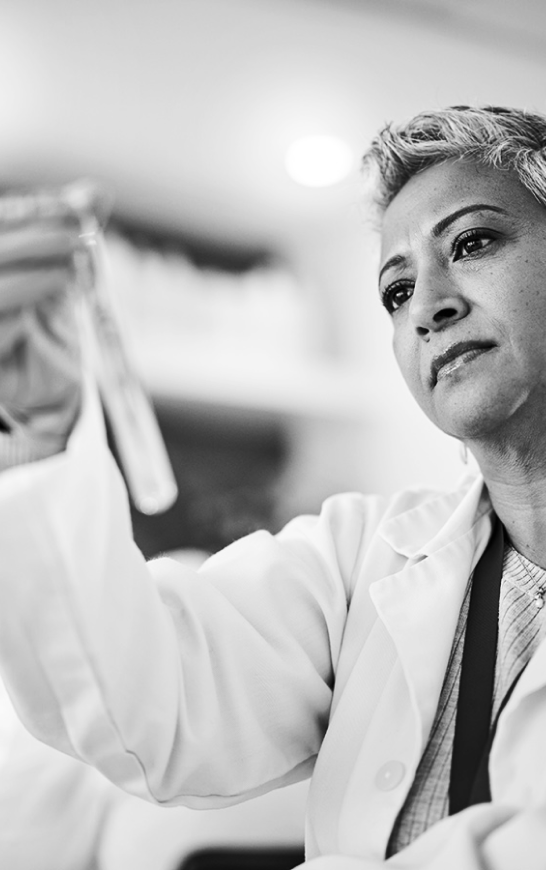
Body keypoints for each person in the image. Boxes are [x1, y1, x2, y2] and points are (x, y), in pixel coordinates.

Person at [0, 105, 545, 869]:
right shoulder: (366, 559)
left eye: (473, 242)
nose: (427, 307)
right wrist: (37, 434)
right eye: (395, 291)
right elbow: (154, 707)